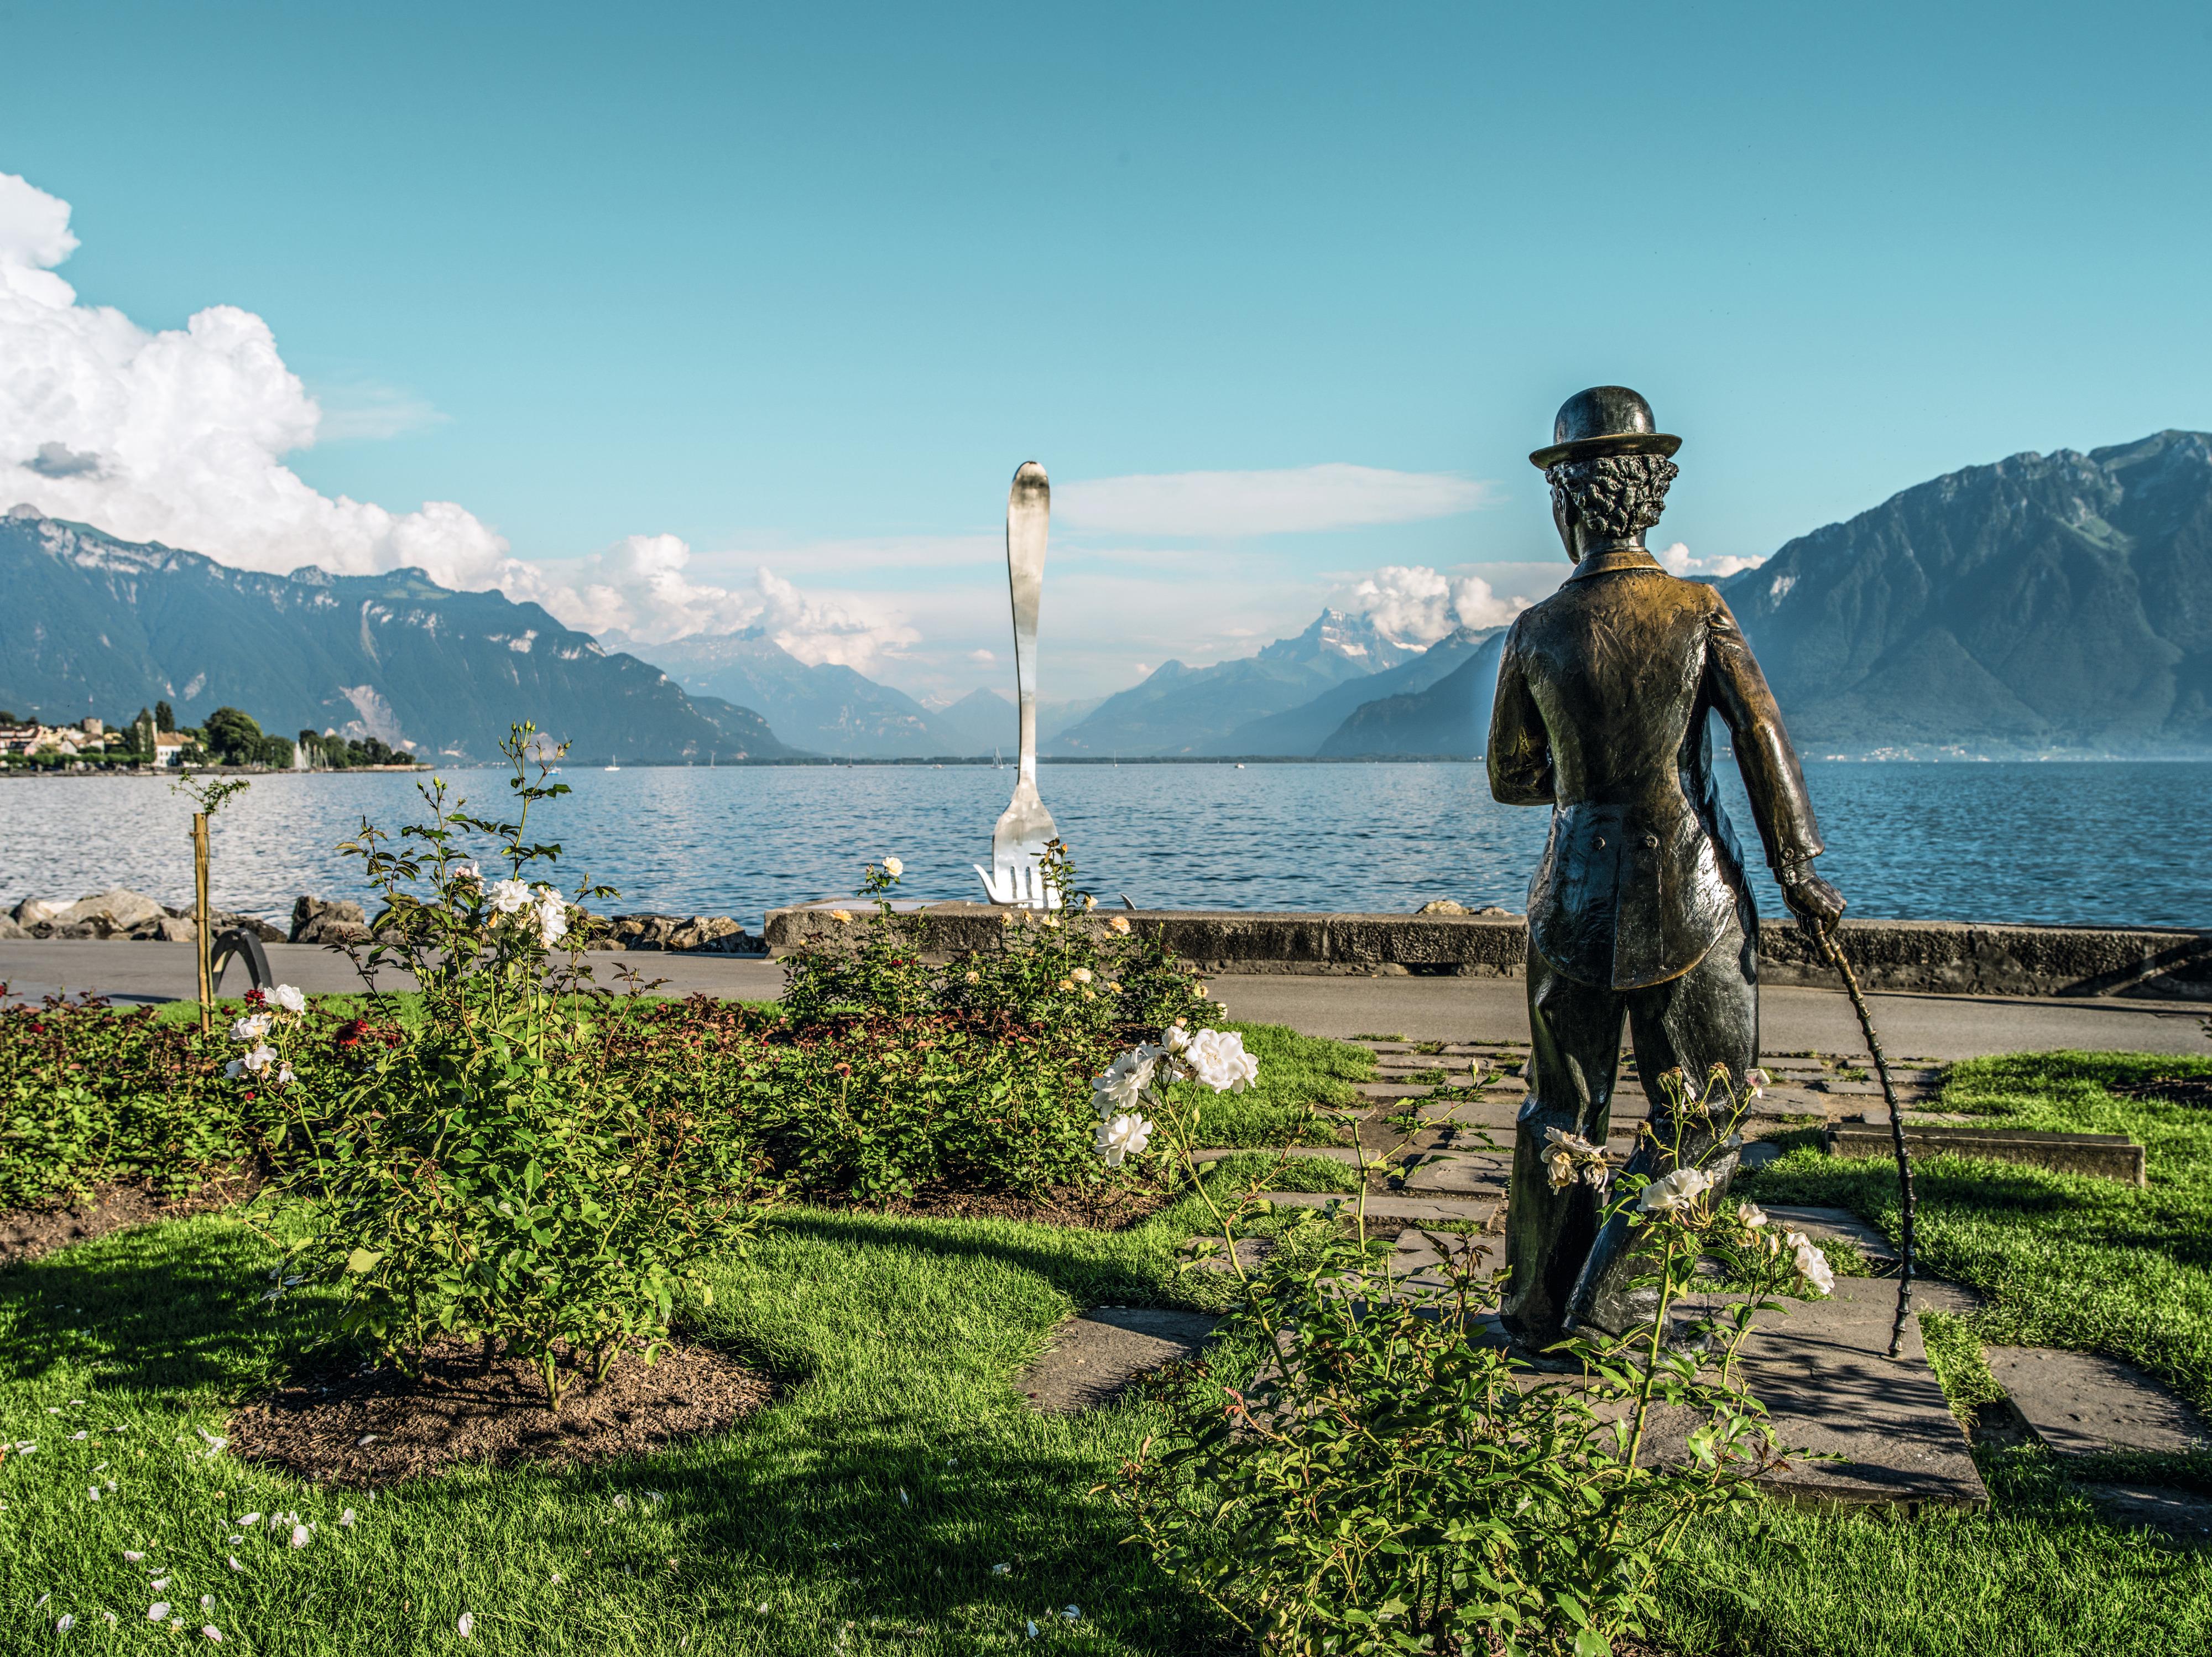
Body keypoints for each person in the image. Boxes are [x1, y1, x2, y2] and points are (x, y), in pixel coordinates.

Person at [1488, 385, 1845, 1345]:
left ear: (1567, 502)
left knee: (1560, 1108)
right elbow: (1760, 735)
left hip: (1569, 893)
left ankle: (1535, 1306)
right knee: (1708, 1109)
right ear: (1651, 496)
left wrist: (1584, 786)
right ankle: (1611, 1302)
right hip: (1691, 891)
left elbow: (1510, 776)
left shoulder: (1534, 630)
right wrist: (1798, 871)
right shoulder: (1697, 609)